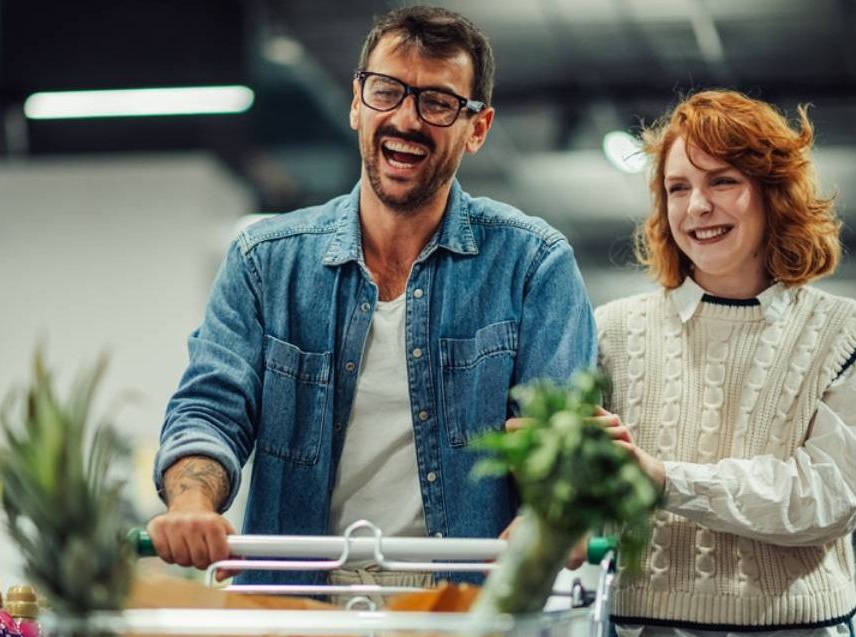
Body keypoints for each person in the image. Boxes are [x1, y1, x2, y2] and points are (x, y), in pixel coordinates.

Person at [148, 6, 595, 587]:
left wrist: (550, 513)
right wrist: (191, 502)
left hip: (462, 617)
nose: (406, 120)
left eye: (437, 102)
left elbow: (559, 433)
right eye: (387, 92)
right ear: (357, 102)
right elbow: (210, 409)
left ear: (477, 128)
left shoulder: (532, 264)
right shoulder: (264, 261)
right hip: (297, 616)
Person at [594, 90, 856, 637]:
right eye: (678, 187)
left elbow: (830, 497)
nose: (697, 207)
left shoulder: (847, 333)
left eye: (722, 181)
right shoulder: (612, 333)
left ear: (772, 192)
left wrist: (666, 480)